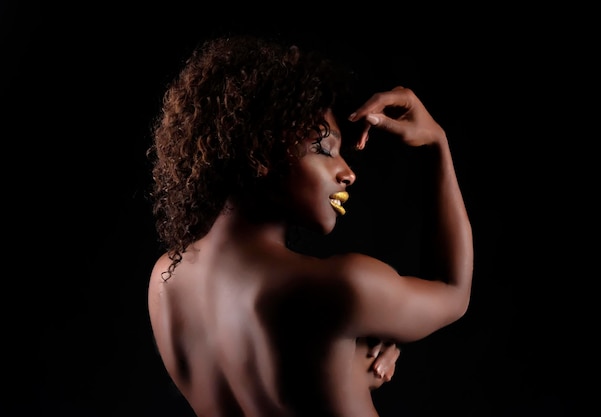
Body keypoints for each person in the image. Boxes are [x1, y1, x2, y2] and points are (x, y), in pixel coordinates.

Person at [147, 34, 473, 417]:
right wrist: (437, 143)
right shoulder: (341, 288)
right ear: (261, 150)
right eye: (323, 148)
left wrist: (352, 370)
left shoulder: (166, 281)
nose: (347, 173)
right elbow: (454, 292)